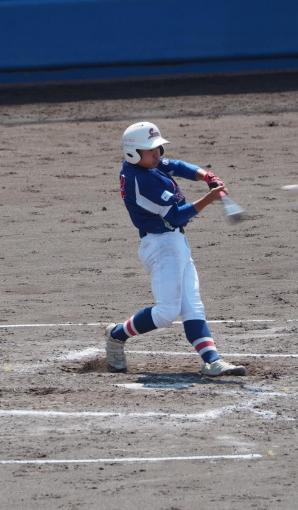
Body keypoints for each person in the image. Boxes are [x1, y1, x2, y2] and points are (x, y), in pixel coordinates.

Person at [104, 122, 246, 377]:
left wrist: (206, 176)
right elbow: (177, 216)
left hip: (175, 242)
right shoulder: (141, 181)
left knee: (193, 307)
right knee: (167, 312)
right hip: (160, 246)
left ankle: (212, 361)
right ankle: (116, 334)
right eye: (150, 149)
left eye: (158, 147)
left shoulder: (147, 165)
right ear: (133, 152)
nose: (157, 153)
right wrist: (209, 199)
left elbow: (177, 166)